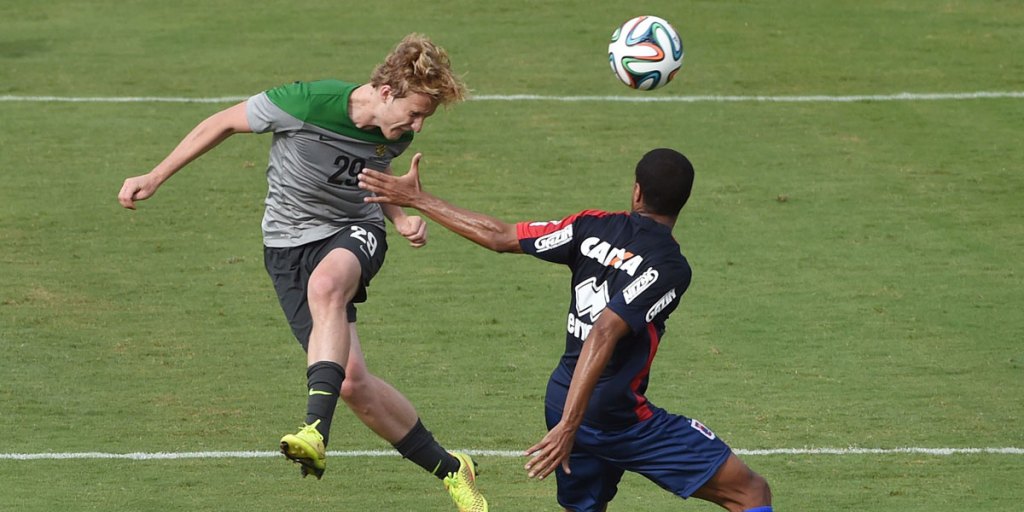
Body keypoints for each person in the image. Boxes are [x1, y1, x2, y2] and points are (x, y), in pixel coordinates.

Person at [117, 34, 487, 512]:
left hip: (355, 231)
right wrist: (154, 175)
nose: (417, 125)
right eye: (415, 113)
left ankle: (314, 430)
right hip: (286, 247)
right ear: (388, 91)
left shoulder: (397, 135)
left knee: (327, 285)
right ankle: (453, 470)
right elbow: (222, 123)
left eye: (423, 119)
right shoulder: (304, 103)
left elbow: (370, 183)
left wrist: (401, 214)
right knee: (353, 383)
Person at [358, 148, 773, 512]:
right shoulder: (670, 267)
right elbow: (604, 333)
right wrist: (572, 428)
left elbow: (500, 236)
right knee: (751, 492)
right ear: (684, 202)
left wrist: (417, 198)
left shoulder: (592, 226)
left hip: (562, 398)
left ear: (636, 192)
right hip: (616, 416)